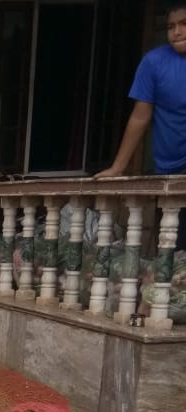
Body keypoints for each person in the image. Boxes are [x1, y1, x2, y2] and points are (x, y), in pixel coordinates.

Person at [96, 3, 186, 249]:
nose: (177, 32)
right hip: (170, 168)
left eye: (184, 24)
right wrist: (118, 167)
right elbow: (140, 117)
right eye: (171, 26)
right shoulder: (154, 62)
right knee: (173, 248)